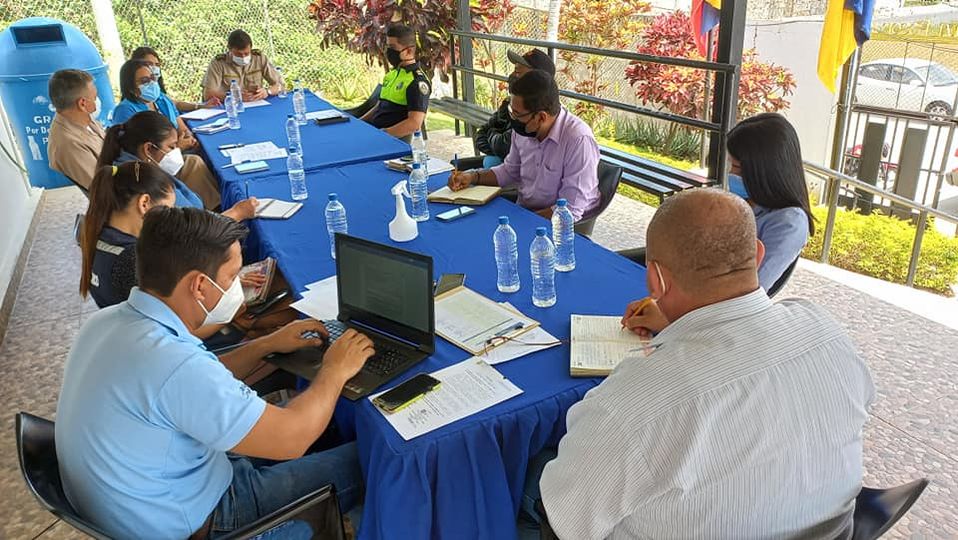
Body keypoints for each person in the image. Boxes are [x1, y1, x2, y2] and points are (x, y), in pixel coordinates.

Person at [526, 189, 874, 538]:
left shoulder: (633, 403)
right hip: (832, 529)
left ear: (655, 280)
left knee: (529, 475)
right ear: (758, 255)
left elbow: (564, 521)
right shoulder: (826, 332)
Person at [56, 206, 375, 539]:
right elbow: (292, 438)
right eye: (231, 277)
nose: (237, 287)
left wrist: (265, 344)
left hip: (159, 489)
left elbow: (194, 383)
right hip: (206, 517)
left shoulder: (107, 323)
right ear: (199, 286)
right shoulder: (173, 363)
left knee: (324, 423)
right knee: (372, 459)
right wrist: (334, 369)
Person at [448, 70, 600, 220]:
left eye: (517, 114)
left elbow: (569, 210)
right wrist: (471, 177)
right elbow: (509, 172)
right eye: (511, 111)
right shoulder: (525, 130)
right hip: (524, 212)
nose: (513, 119)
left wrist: (522, 222)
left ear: (541, 117)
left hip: (560, 225)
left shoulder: (578, 140)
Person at [727, 112, 815, 292]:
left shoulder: (789, 222)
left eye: (736, 168)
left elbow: (752, 287)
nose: (731, 174)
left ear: (763, 171)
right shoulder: (745, 201)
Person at [98, 110, 237, 213]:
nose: (176, 151)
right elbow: (194, 229)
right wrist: (237, 213)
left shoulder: (128, 164)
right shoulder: (146, 182)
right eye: (171, 147)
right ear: (148, 149)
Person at [79, 161, 174, 308]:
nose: (170, 217)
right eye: (168, 209)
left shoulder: (97, 237)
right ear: (144, 203)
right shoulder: (131, 261)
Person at [474, 49, 556, 168]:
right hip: (502, 170)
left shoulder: (540, 114)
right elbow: (481, 135)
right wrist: (496, 143)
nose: (512, 76)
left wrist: (491, 133)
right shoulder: (510, 103)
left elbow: (503, 146)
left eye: (517, 72)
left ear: (536, 78)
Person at [111, 59, 198, 154]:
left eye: (153, 78)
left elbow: (182, 128)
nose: (152, 83)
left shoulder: (162, 98)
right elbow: (139, 153)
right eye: (145, 81)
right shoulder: (125, 111)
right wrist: (177, 148)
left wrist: (188, 136)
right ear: (131, 88)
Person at [360, 24, 431, 139]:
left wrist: (382, 134)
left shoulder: (417, 82)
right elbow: (379, 107)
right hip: (374, 133)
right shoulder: (392, 75)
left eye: (393, 48)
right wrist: (358, 123)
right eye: (388, 47)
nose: (389, 52)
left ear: (408, 51)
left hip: (390, 140)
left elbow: (414, 123)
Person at [46, 69, 105, 191]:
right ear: (82, 104)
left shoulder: (83, 119)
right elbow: (105, 189)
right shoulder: (69, 144)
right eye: (95, 97)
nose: (97, 100)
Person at [131, 46, 222, 112]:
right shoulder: (130, 108)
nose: (154, 68)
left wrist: (200, 106)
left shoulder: (159, 94)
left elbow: (175, 104)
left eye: (157, 65)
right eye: (149, 64)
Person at [203, 29, 284, 102]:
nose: (243, 57)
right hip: (231, 106)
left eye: (246, 53)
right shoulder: (218, 63)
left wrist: (267, 91)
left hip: (256, 103)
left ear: (251, 48)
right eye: (238, 54)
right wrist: (235, 97)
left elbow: (280, 85)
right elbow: (208, 95)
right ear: (229, 49)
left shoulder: (259, 59)